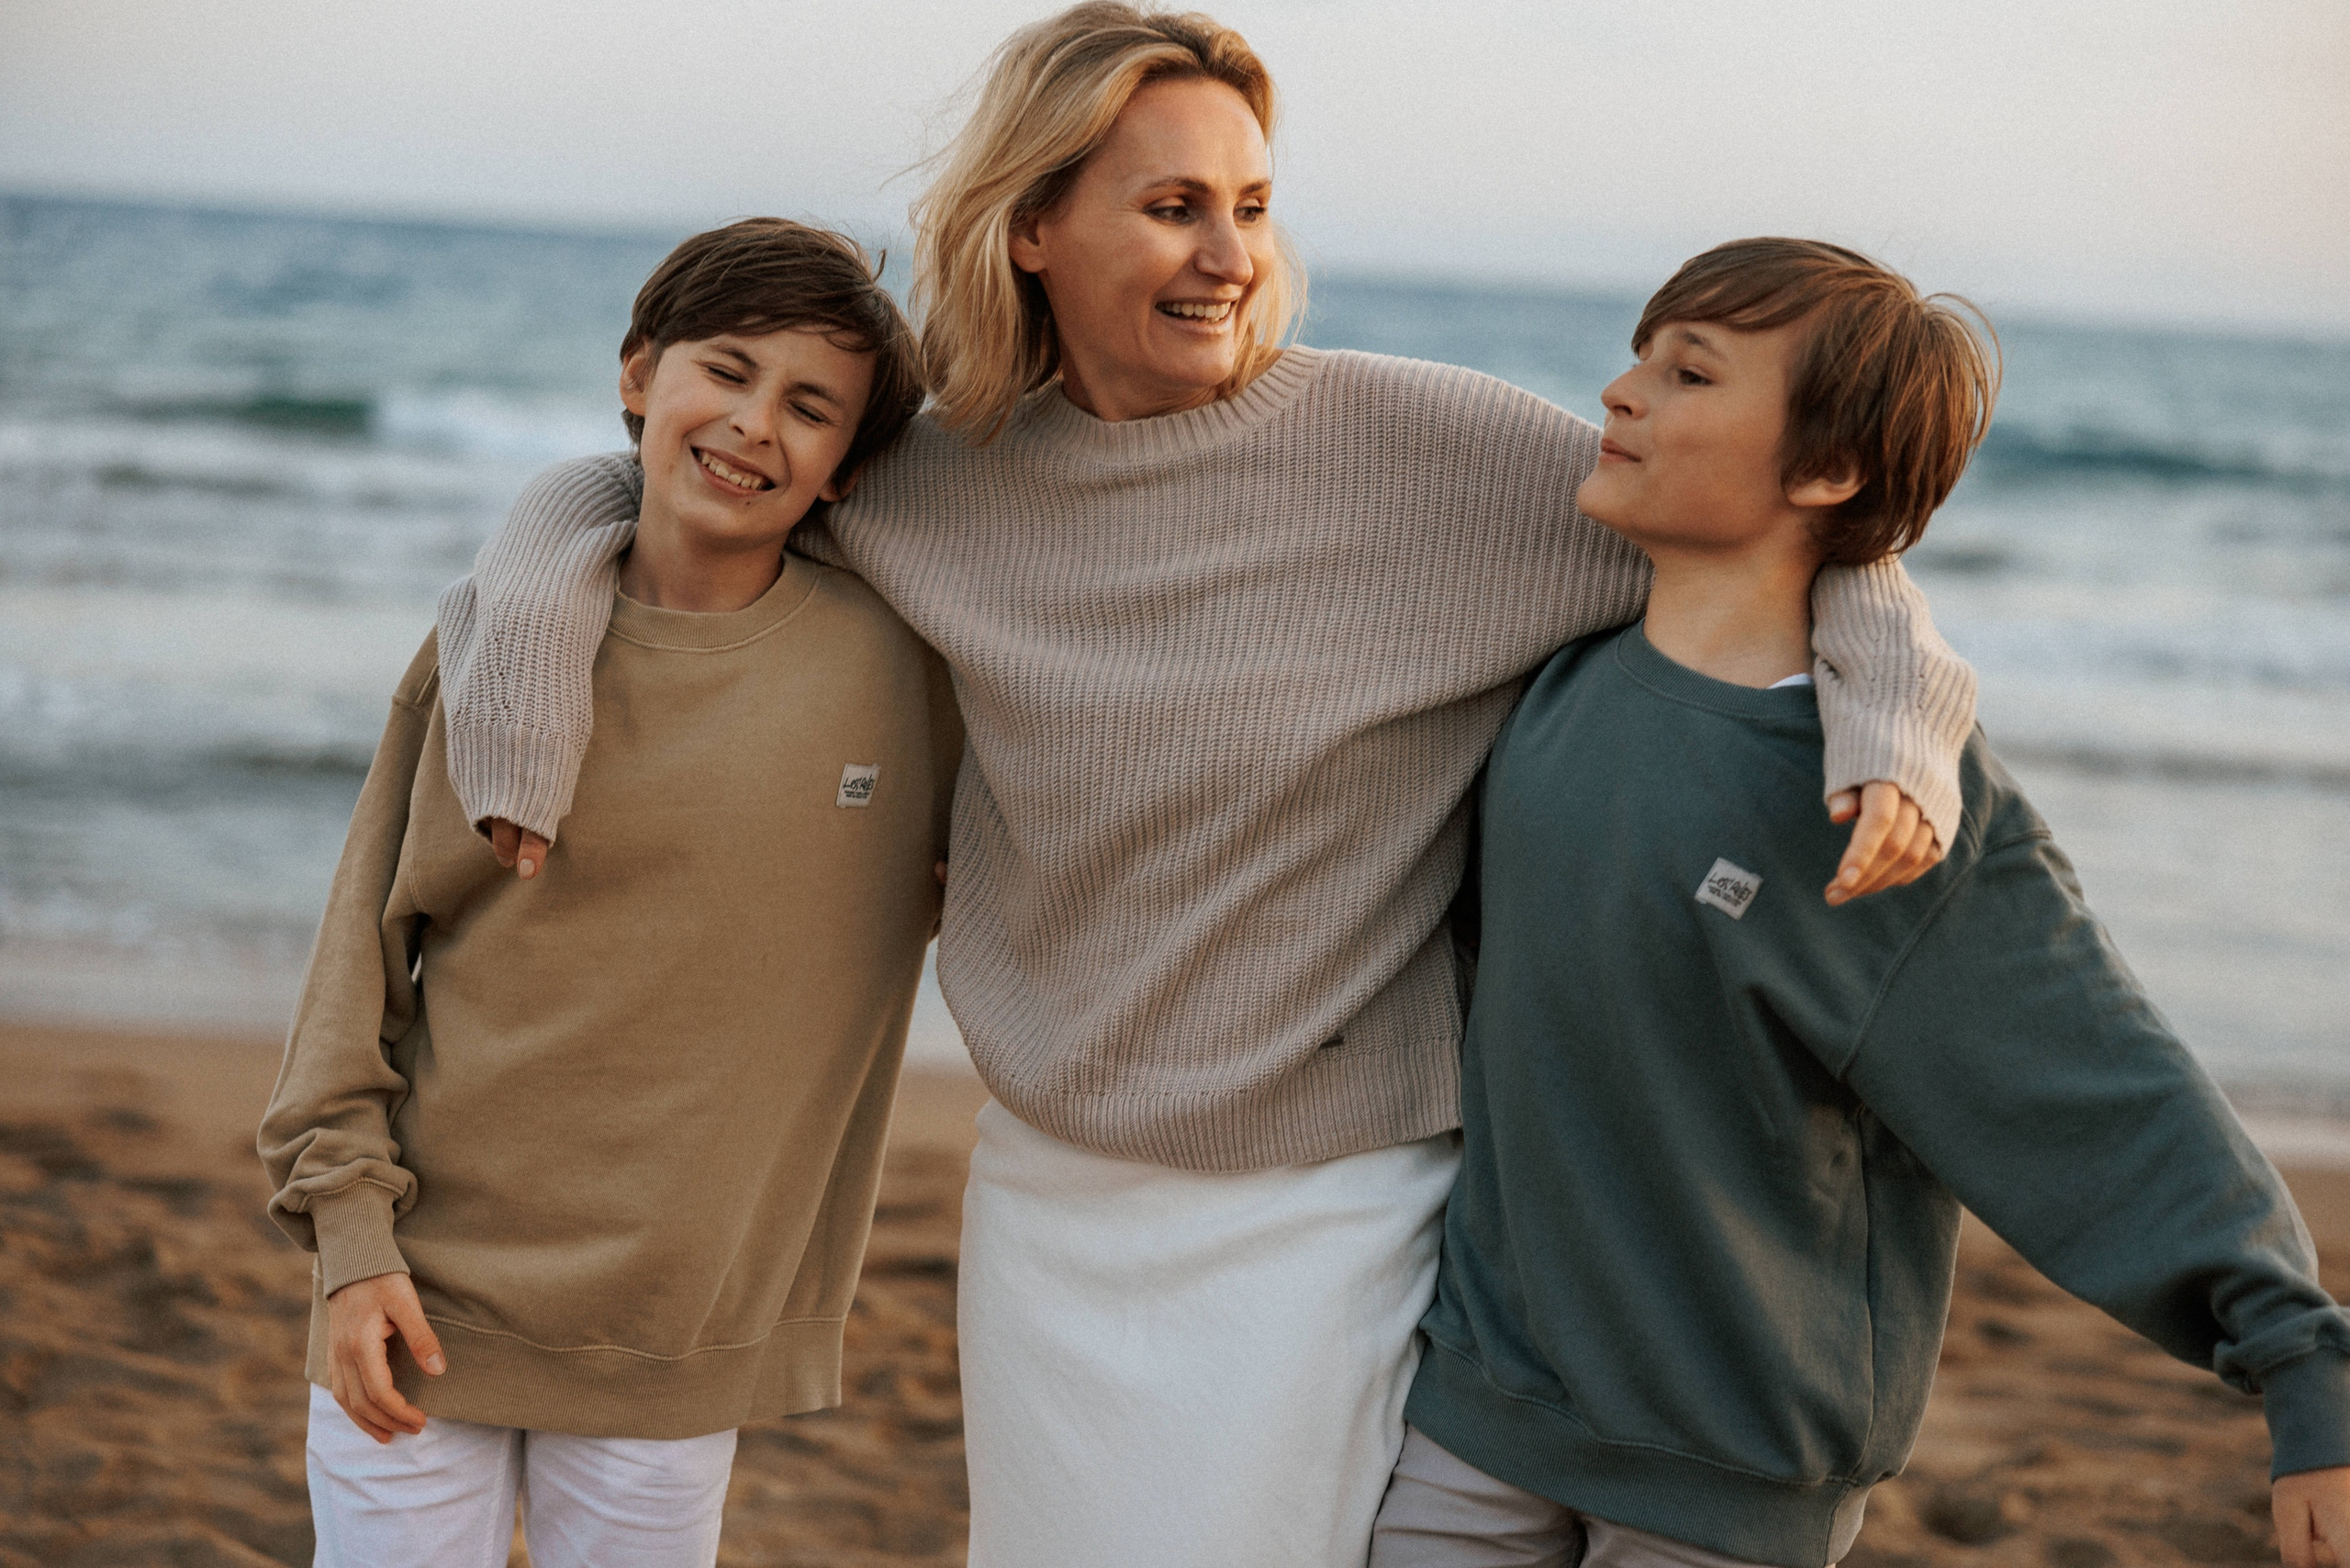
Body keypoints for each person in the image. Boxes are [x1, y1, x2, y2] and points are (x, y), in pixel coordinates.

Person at [429, 9, 1979, 1564]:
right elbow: (640, 491)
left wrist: (1899, 721)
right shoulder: (932, 483)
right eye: (1173, 207)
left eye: (1248, 205)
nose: (1228, 253)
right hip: (1049, 1196)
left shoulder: (1432, 455)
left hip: (1330, 1202)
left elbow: (1788, 536)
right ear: (1032, 225)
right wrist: (523, 664)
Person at [1368, 238, 2350, 1568]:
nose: (1617, 393)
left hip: (1729, 1464)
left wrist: (2302, 1368)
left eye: (1689, 372)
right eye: (1640, 354)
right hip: (1479, 1413)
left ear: (1828, 471)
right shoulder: (1550, 696)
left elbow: (2094, 1084)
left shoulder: (1886, 809)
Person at [257, 218, 956, 1568]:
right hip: (418, 1290)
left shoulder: (897, 675)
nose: (756, 425)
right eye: (728, 371)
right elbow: (360, 960)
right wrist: (347, 1241)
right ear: (639, 374)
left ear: (848, 466)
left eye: (810, 408)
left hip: (673, 1335)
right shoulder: (493, 643)